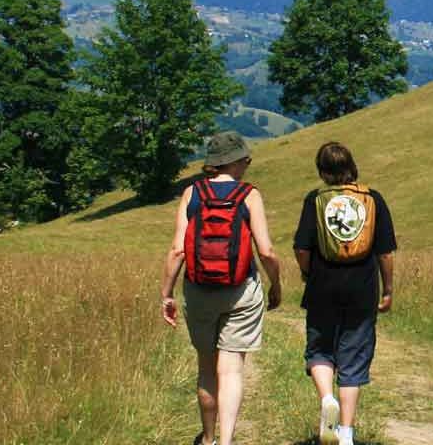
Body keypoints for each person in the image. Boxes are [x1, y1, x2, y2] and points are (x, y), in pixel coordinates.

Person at [161, 131, 282, 445]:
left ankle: (209, 439)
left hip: (198, 290)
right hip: (241, 290)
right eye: (246, 159)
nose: (248, 164)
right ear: (236, 161)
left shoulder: (192, 193)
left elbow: (177, 250)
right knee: (231, 371)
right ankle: (227, 442)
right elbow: (267, 251)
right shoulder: (249, 195)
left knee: (206, 369)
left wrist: (167, 294)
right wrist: (276, 284)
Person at [294, 142, 397, 445]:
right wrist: (388, 288)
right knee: (353, 358)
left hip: (322, 285)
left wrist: (308, 272)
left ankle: (327, 399)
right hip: (362, 288)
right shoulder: (372, 199)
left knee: (320, 349)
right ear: (352, 166)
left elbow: (301, 247)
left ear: (322, 171)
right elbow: (386, 252)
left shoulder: (315, 200)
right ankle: (347, 434)